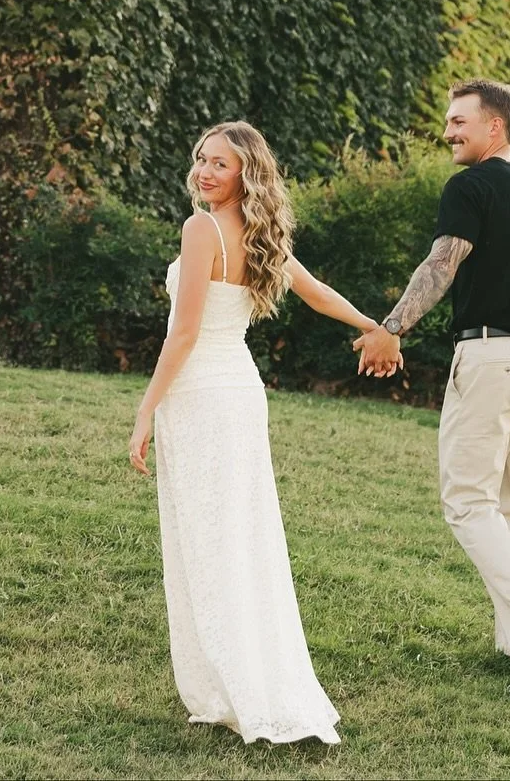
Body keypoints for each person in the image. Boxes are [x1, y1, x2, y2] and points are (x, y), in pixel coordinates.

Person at [129, 119, 395, 745]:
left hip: (201, 394)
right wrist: (374, 325)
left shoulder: (201, 229)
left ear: (246, 173)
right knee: (241, 538)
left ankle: (239, 687)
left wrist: (145, 410)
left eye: (220, 163)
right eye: (201, 158)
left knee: (211, 541)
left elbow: (184, 333)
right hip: (239, 395)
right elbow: (318, 294)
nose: (204, 171)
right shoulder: (259, 234)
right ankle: (244, 682)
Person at [354, 78, 510, 705]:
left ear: (495, 127)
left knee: (467, 501)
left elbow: (441, 265)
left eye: (459, 122)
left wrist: (390, 328)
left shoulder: (471, 186)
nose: (447, 131)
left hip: (492, 357)